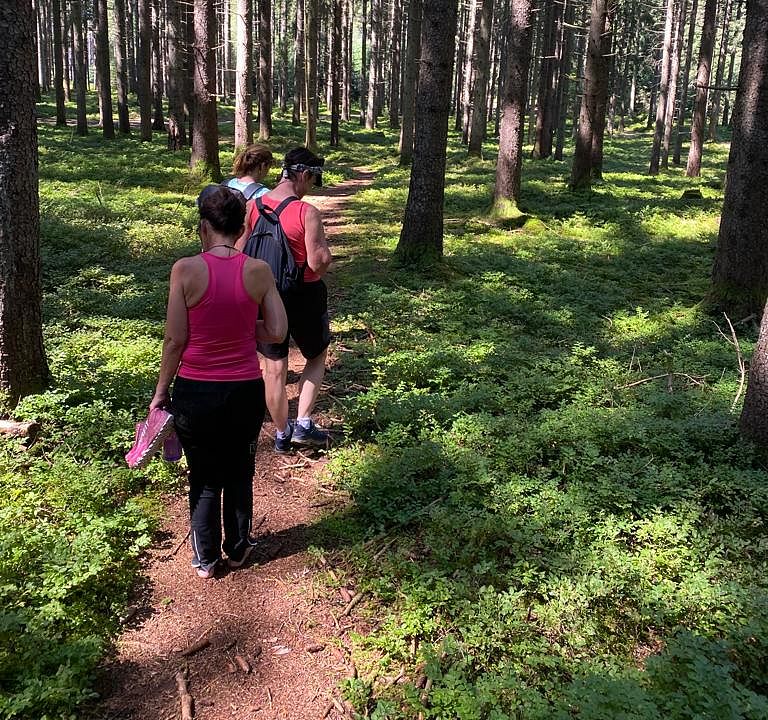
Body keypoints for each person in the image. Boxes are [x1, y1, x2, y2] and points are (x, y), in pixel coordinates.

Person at [149, 185, 287, 579]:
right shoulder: (258, 271)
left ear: (204, 227)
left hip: (195, 391)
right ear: (241, 228)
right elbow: (277, 331)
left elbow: (176, 339)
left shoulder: (185, 270)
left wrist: (161, 394)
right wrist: (243, 326)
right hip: (244, 390)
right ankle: (239, 547)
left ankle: (206, 558)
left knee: (205, 475)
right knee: (240, 471)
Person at [255, 147, 333, 452]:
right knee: (316, 356)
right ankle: (303, 423)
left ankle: (281, 433)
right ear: (302, 174)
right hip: (305, 295)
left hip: (265, 295)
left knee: (274, 367)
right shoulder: (306, 212)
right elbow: (317, 263)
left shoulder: (254, 205)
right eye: (313, 179)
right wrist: (326, 255)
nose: (311, 186)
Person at [225, 143, 273, 245]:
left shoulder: (227, 184)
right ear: (263, 166)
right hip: (244, 247)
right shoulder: (263, 194)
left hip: (219, 243)